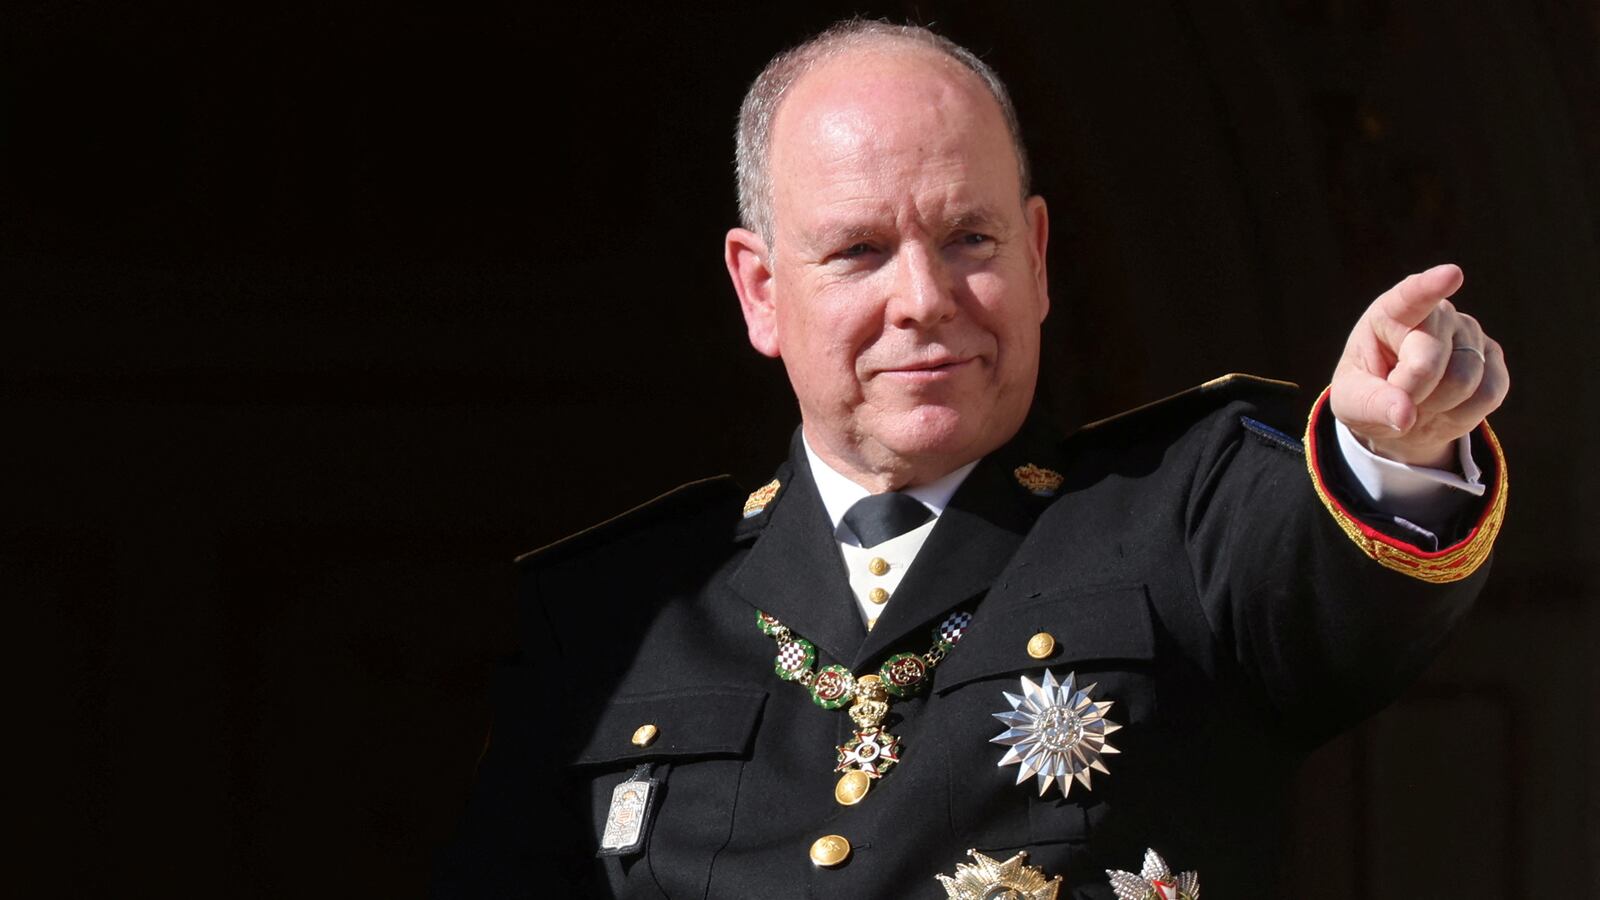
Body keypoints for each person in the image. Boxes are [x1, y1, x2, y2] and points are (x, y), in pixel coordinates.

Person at [433, 20, 1508, 900]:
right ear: (761, 289)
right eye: (858, 251)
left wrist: (1391, 446)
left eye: (969, 241)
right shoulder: (613, 613)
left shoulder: (1183, 518)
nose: (923, 300)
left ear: (1037, 258)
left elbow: (1331, 575)